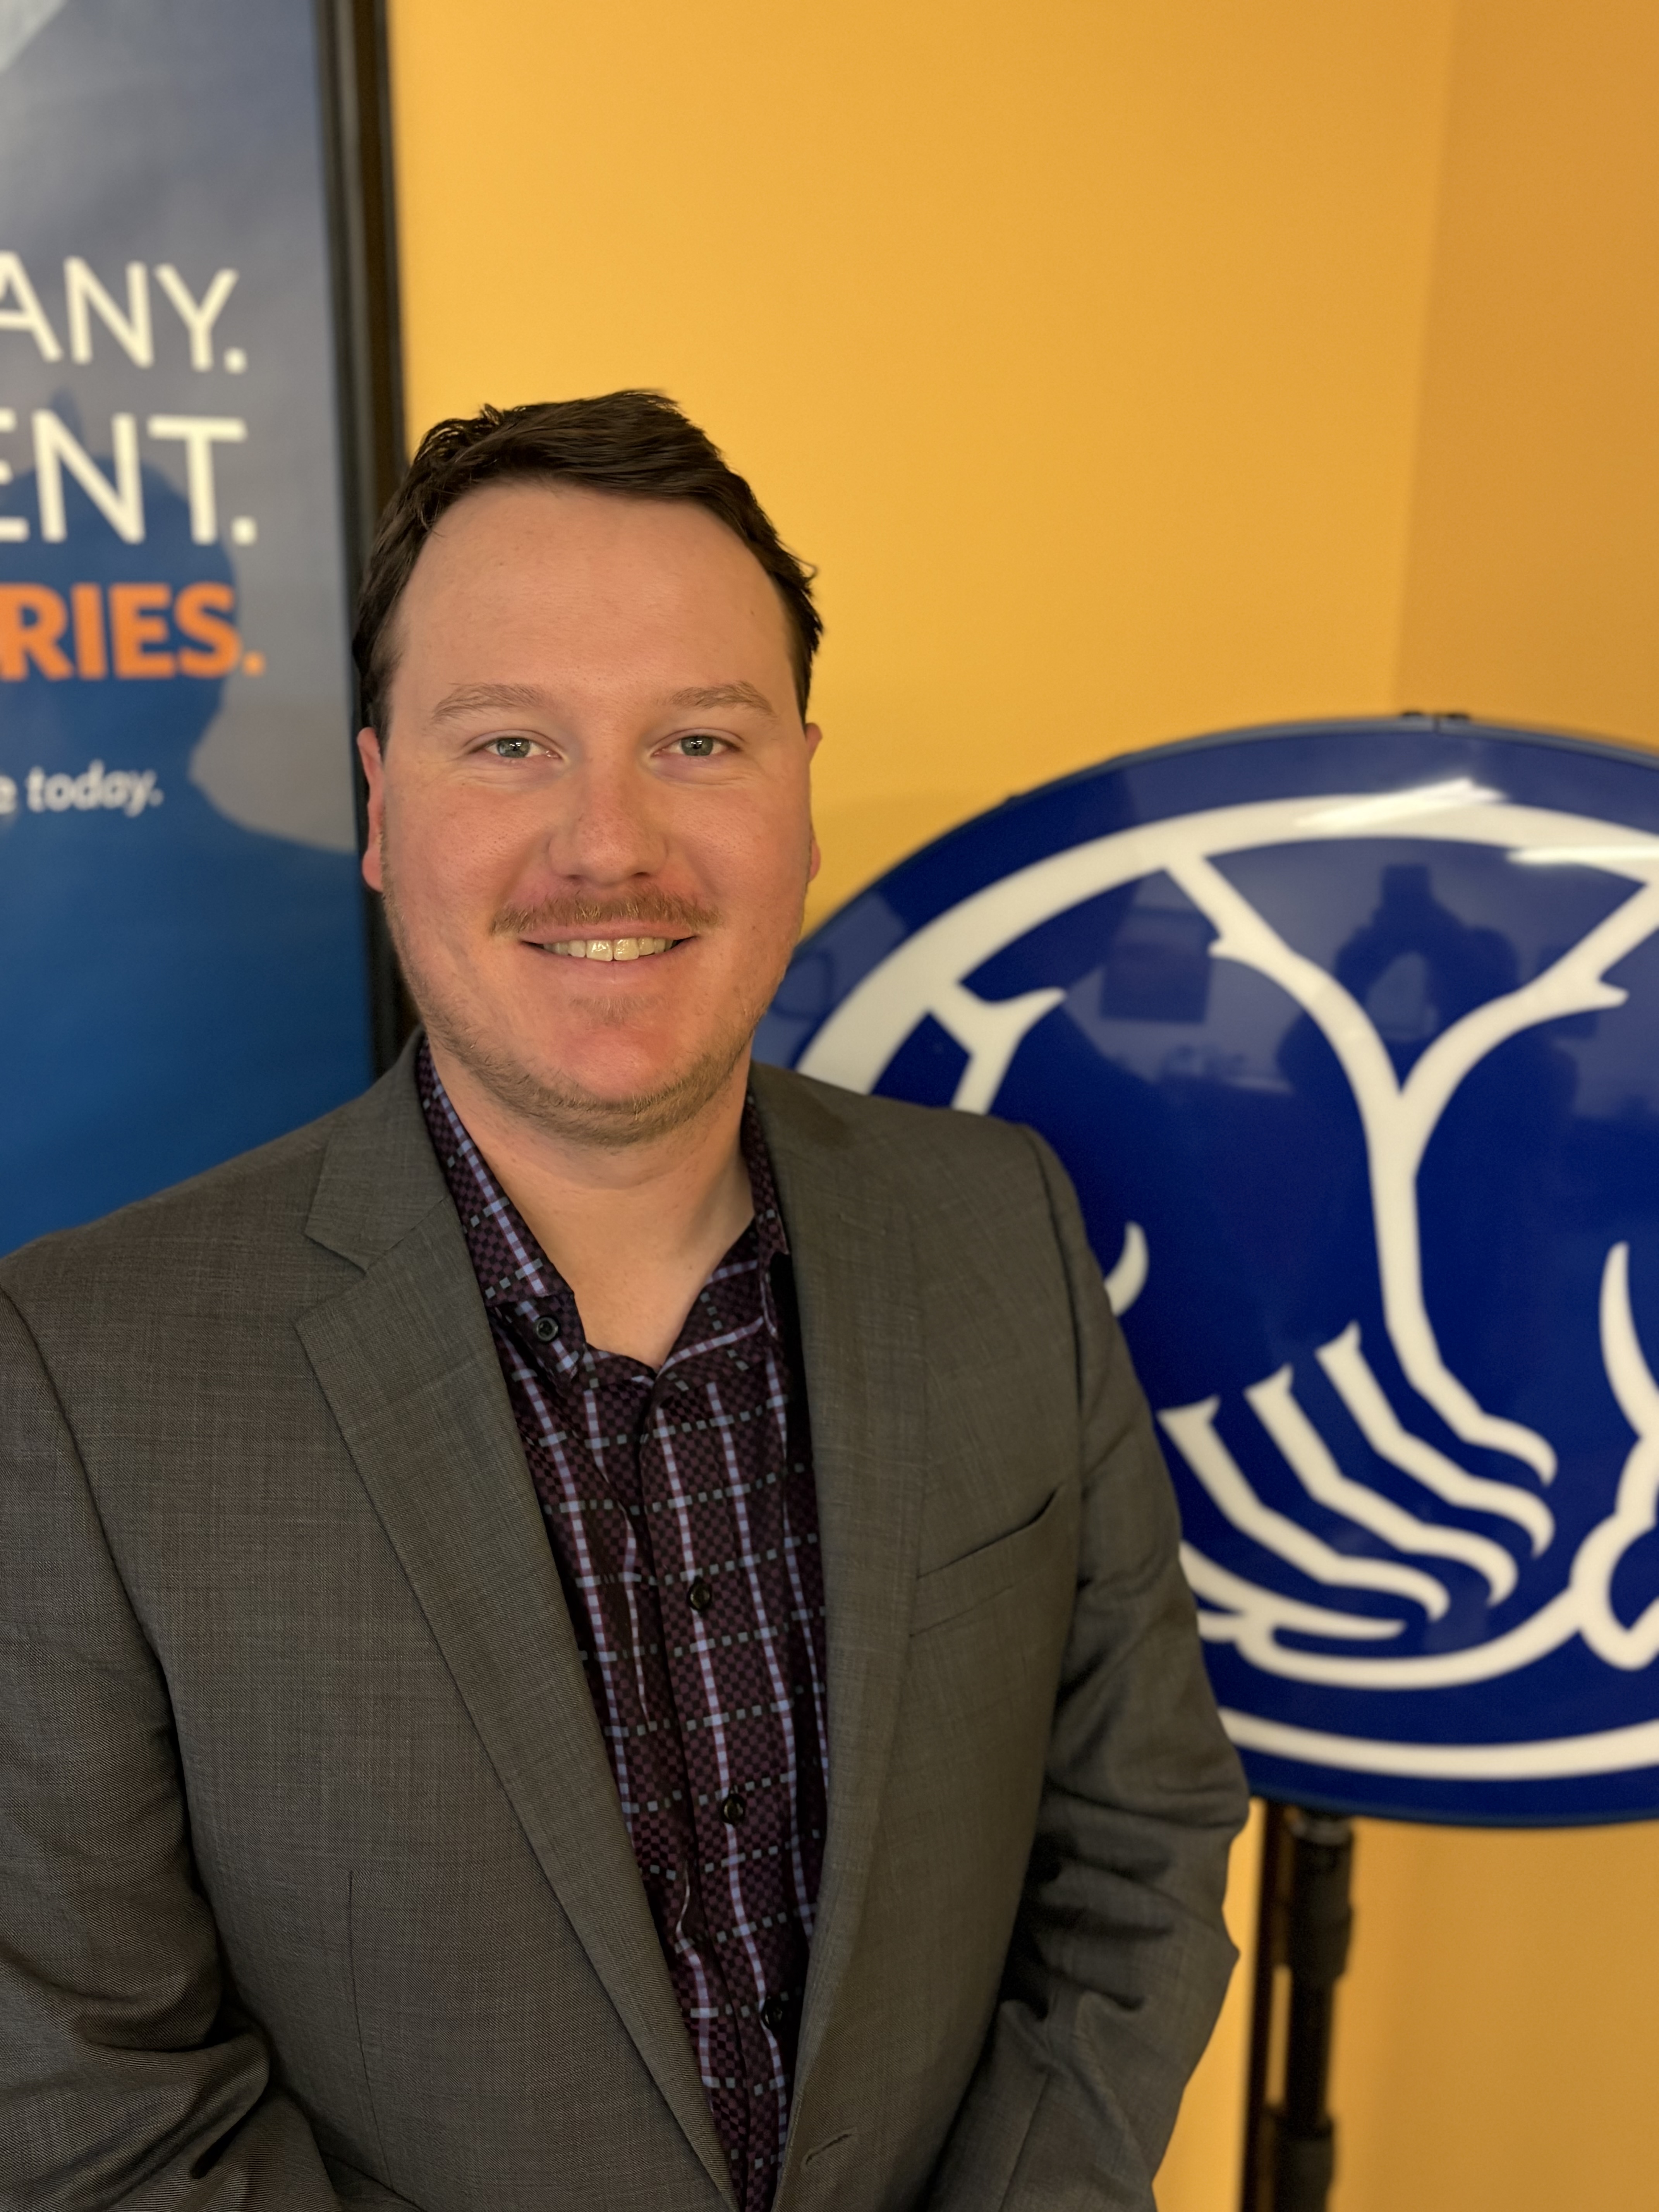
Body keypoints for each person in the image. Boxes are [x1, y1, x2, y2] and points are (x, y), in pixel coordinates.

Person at [0, 393, 1248, 2212]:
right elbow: (92, 2103)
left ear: (800, 790)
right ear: (381, 807)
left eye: (699, 741)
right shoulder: (82, 1373)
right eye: (511, 743)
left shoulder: (1003, 1230)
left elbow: (1139, 1843)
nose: (610, 844)